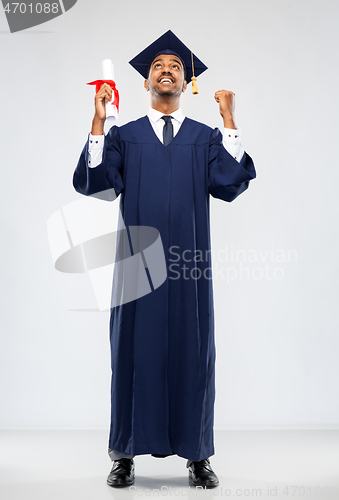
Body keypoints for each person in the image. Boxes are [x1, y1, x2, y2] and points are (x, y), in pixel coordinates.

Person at [73, 30, 256, 489]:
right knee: (132, 355)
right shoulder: (124, 136)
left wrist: (229, 117)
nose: (167, 69)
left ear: (186, 79)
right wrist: (97, 123)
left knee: (193, 356)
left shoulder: (206, 137)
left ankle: (196, 456)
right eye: (158, 66)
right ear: (146, 82)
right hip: (137, 267)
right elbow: (97, 185)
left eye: (175, 65)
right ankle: (124, 455)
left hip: (189, 267)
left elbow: (230, 182)